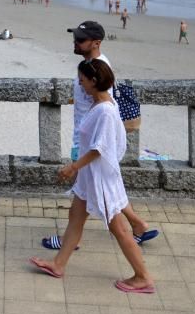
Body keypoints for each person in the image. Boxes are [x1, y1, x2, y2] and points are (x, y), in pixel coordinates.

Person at [30, 59, 155, 294]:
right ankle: (58, 265)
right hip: (89, 178)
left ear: (94, 81)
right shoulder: (98, 105)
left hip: (101, 180)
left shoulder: (106, 111)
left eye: (83, 80)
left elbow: (100, 148)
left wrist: (73, 167)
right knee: (75, 216)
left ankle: (143, 276)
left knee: (119, 228)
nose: (80, 83)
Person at [41, 21, 157, 251]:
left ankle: (72, 242)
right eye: (75, 37)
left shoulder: (100, 69)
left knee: (92, 196)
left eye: (80, 39)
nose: (75, 42)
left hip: (90, 143)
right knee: (95, 193)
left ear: (96, 43)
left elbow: (106, 107)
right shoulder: (88, 66)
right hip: (86, 140)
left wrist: (80, 158)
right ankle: (138, 225)